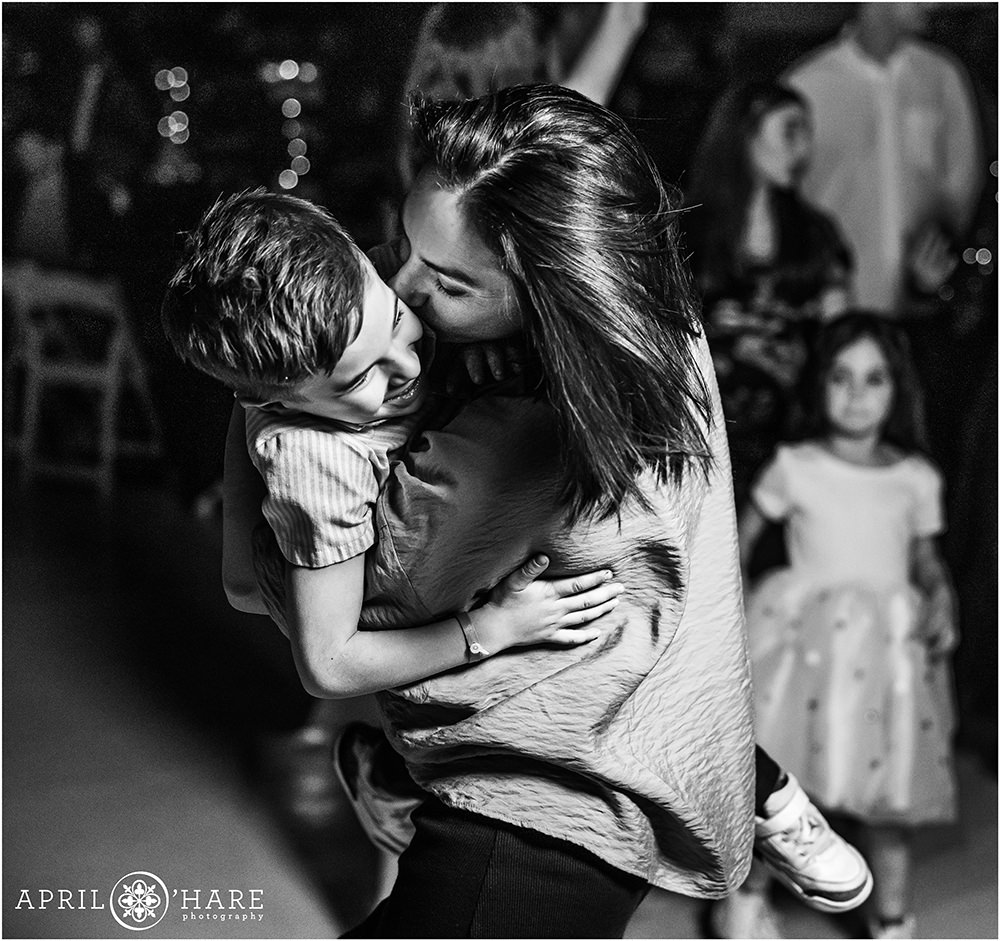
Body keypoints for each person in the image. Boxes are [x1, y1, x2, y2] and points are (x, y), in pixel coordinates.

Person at [221, 85, 861, 936]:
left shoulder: (515, 436)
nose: (399, 285)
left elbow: (348, 613)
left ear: (553, 295)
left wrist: (268, 414)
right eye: (406, 242)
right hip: (629, 752)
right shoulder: (662, 327)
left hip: (531, 819)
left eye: (448, 282)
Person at [161, 189, 621, 697]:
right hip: (340, 584)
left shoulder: (373, 278)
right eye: (359, 381)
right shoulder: (317, 462)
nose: (407, 366)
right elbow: (328, 665)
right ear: (281, 403)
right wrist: (490, 631)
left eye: (397, 323)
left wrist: (470, 350)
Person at [736, 313, 958, 940]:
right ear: (818, 385)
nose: (857, 395)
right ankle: (747, 902)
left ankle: (891, 919)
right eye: (841, 377)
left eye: (874, 379)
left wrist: (942, 594)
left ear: (898, 390)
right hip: (801, 648)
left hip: (886, 655)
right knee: (778, 797)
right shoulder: (795, 465)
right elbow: (740, 543)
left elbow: (925, 559)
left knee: (887, 799)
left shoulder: (916, 478)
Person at [685, 81, 853, 508]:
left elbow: (840, 341)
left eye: (808, 134)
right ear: (745, 130)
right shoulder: (687, 232)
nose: (804, 149)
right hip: (698, 445)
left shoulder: (816, 236)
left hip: (789, 445)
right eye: (791, 130)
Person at [784, 2, 982, 316]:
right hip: (835, 309)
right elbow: (785, 198)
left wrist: (940, 265)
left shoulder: (942, 75)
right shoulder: (806, 86)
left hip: (924, 306)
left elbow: (963, 182)